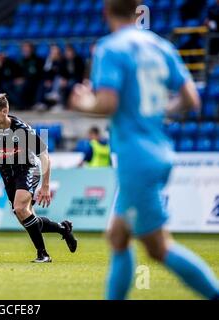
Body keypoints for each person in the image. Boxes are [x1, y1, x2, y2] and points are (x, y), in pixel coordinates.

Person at [70, 0, 219, 300]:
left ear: (106, 12)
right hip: (159, 150)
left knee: (158, 247)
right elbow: (191, 98)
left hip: (135, 158)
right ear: (137, 10)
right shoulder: (161, 45)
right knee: (118, 236)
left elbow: (107, 104)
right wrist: (158, 114)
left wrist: (82, 101)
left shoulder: (110, 48)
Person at [0, 93, 77, 263]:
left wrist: (46, 185)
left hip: (28, 169)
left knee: (20, 208)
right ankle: (63, 228)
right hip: (7, 175)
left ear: (4, 111)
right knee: (25, 216)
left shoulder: (21, 129)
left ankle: (43, 254)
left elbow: (44, 155)